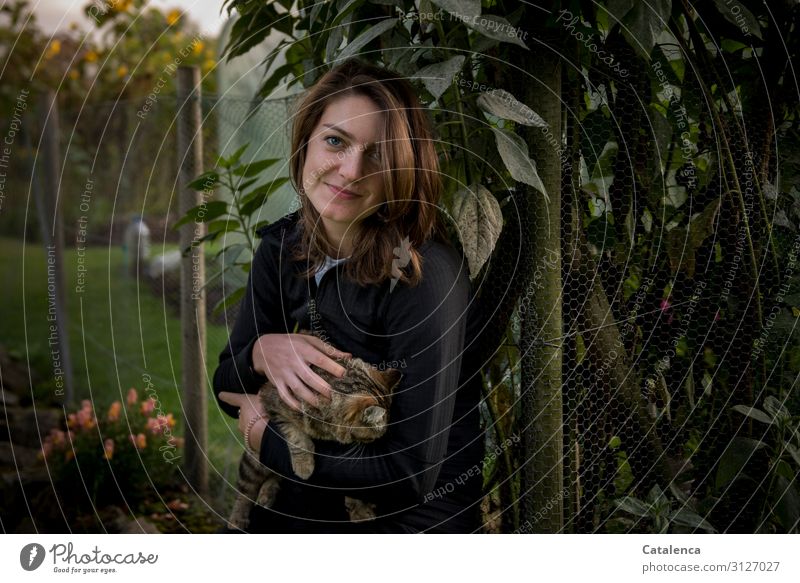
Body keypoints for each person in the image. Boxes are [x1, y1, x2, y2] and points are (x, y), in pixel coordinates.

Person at [215, 59, 485, 533]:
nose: (350, 171)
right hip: (308, 497)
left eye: (377, 154)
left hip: (408, 523)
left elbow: (408, 473)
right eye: (335, 141)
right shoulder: (282, 247)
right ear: (305, 143)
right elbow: (226, 384)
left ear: (401, 168)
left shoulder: (424, 274)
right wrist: (262, 351)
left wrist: (264, 437)